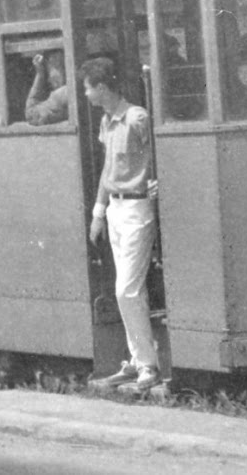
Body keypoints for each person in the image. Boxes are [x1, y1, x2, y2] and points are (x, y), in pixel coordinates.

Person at [82, 57, 162, 394]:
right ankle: (138, 360)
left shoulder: (137, 118)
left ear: (102, 88)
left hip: (137, 208)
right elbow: (106, 169)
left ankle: (148, 367)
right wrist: (99, 212)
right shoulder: (107, 122)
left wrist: (159, 182)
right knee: (131, 290)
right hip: (115, 210)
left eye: (87, 87)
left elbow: (159, 153)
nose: (85, 94)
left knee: (126, 290)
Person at [24, 51, 69, 125]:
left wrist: (40, 74)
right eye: (49, 68)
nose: (50, 75)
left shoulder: (60, 95)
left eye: (56, 66)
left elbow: (31, 113)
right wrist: (40, 74)